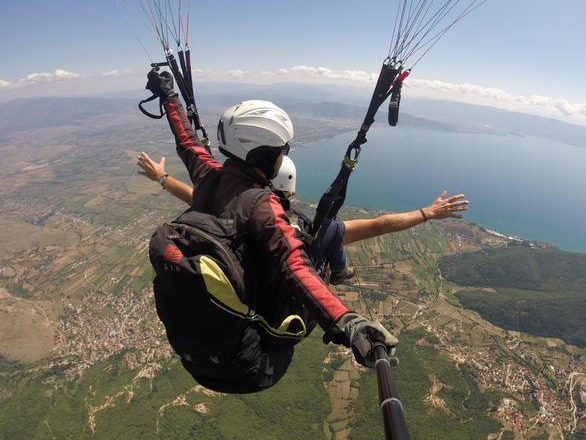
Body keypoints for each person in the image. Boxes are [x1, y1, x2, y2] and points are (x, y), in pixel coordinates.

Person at [144, 70, 398, 394]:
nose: (285, 155)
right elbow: (295, 266)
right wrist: (346, 321)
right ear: (263, 153)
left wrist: (169, 97)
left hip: (197, 356)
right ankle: (338, 269)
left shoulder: (207, 176)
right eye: (283, 149)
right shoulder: (263, 205)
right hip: (254, 365)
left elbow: (187, 141)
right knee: (323, 235)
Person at [138, 152, 469, 284]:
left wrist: (162, 178)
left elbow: (196, 197)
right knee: (331, 232)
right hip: (285, 292)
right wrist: (428, 213)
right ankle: (338, 272)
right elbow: (377, 225)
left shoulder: (233, 212)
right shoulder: (304, 230)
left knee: (331, 231)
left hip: (248, 283)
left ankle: (339, 270)